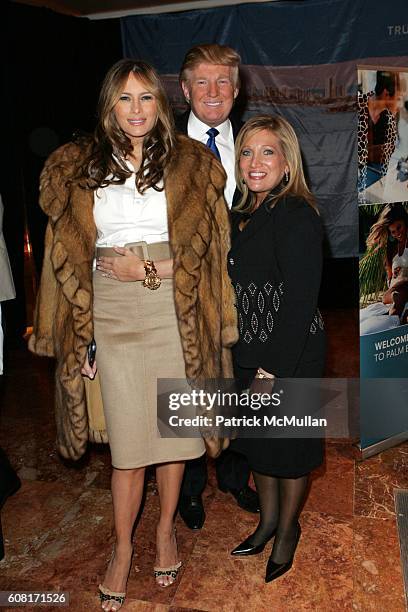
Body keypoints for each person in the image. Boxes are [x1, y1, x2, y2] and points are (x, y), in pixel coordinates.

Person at [29, 59, 237, 610]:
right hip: (112, 313)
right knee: (128, 446)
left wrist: (147, 270)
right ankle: (122, 549)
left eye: (147, 98)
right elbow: (64, 263)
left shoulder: (192, 165)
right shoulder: (76, 166)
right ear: (109, 105)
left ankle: (165, 529)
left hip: (175, 307)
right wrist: (81, 332)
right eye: (126, 99)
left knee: (174, 435)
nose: (137, 110)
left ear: (160, 104)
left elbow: (212, 255)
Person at [227, 115, 325, 583]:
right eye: (247, 151)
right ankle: (266, 522)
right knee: (260, 449)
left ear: (287, 163)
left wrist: (271, 371)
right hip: (248, 352)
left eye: (268, 151)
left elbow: (300, 305)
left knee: (289, 454)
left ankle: (287, 530)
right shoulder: (243, 213)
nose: (255, 161)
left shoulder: (297, 215)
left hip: (290, 357)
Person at [175, 43, 259, 530]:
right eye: (202, 82)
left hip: (243, 294)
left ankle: (234, 474)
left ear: (237, 89)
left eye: (223, 82)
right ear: (184, 89)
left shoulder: (253, 142)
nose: (213, 92)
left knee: (241, 386)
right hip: (181, 294)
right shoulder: (160, 145)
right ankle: (189, 488)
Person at [360, 203, 408, 335]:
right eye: (393, 231)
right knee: (362, 324)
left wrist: (401, 280)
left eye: (399, 227)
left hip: (401, 298)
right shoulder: (391, 250)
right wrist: (394, 285)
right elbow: (389, 282)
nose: (398, 233)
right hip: (391, 298)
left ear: (405, 222)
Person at [358, 71, 400, 192]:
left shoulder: (390, 118)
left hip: (376, 176)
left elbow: (389, 151)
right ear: (386, 93)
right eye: (397, 97)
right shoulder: (358, 105)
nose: (398, 103)